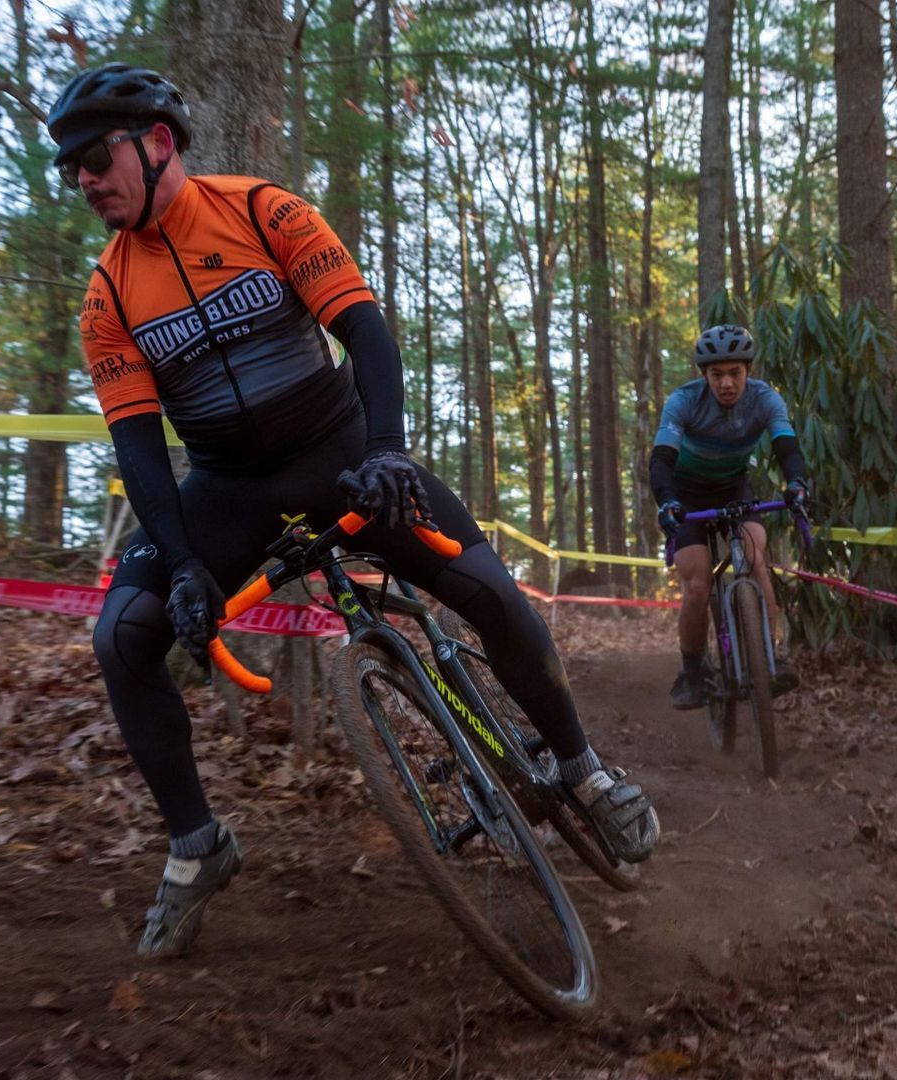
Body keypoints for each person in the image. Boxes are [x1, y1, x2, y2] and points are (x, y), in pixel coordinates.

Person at [54, 63, 660, 959]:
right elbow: (140, 445)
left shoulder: (265, 211)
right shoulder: (108, 295)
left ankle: (583, 767)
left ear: (157, 143)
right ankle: (197, 846)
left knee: (490, 593)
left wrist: (387, 451)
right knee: (123, 635)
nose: (84, 180)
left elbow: (365, 330)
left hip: (341, 453)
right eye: (69, 168)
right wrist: (182, 562)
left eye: (96, 157)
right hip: (228, 486)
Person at [650, 325, 809, 710]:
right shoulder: (683, 402)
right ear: (704, 374)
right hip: (686, 493)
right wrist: (667, 500)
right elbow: (662, 459)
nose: (726, 382)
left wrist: (797, 483)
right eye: (717, 374)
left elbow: (787, 446)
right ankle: (691, 672)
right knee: (698, 584)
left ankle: (771, 657)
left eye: (734, 372)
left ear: (748, 371)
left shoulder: (766, 399)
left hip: (734, 487)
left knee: (756, 559)